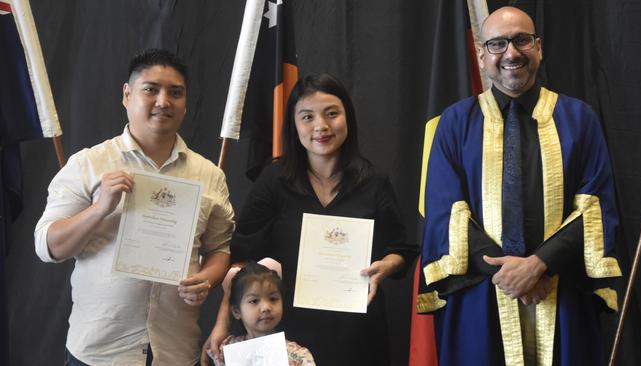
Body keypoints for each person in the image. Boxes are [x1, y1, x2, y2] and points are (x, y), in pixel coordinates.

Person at [418, 6, 622, 366]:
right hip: (482, 295)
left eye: (521, 40)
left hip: (561, 291)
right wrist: (510, 274)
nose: (511, 53)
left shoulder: (579, 119)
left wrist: (539, 265)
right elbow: (445, 213)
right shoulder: (453, 124)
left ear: (538, 48)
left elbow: (595, 208)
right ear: (482, 56)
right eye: (497, 44)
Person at [34, 49, 235, 365]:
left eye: (175, 92)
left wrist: (207, 278)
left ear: (185, 102)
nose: (163, 101)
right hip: (100, 351)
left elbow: (219, 248)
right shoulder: (89, 164)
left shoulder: (209, 175)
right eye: (151, 89)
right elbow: (48, 246)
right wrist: (100, 208)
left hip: (176, 349)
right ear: (127, 95)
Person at [202, 73, 419, 366]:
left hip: (358, 332)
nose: (321, 126)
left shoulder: (374, 182)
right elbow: (240, 260)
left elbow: (401, 249)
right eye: (307, 116)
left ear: (348, 118)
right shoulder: (274, 180)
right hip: (286, 334)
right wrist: (222, 323)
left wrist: (386, 265)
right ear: (294, 124)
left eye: (332, 114)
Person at [208, 259, 315, 366]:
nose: (266, 307)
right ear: (237, 311)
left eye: (273, 299)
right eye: (254, 301)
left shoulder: (298, 356)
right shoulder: (225, 351)